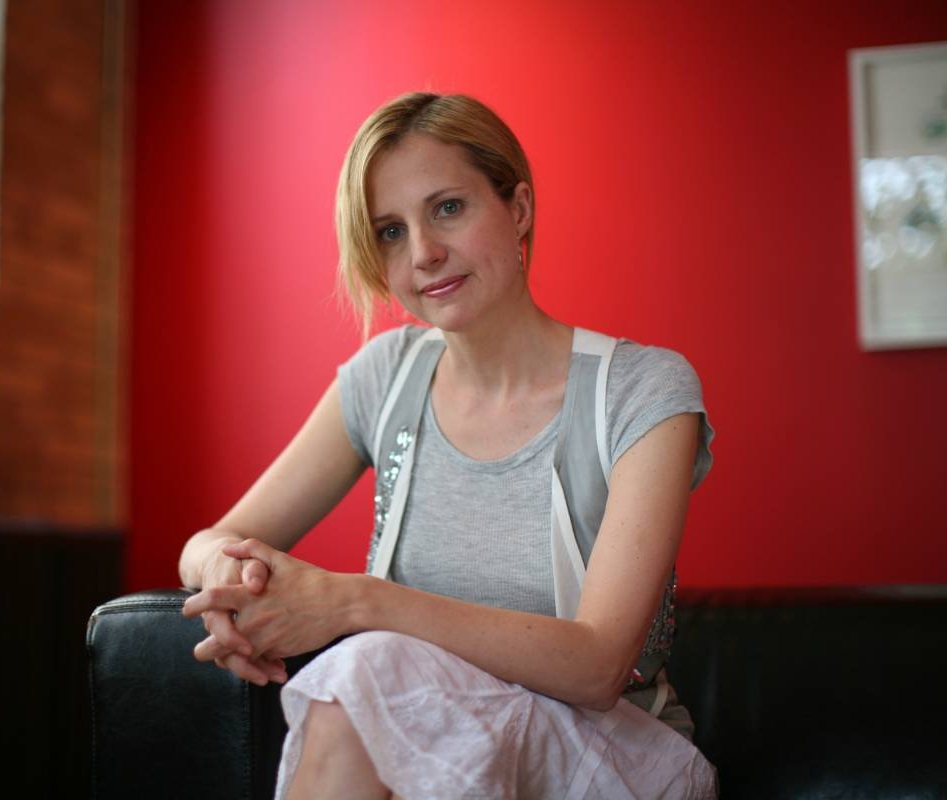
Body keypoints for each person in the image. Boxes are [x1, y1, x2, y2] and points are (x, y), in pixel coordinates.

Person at [179, 92, 718, 799]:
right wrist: (230, 573)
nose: (425, 253)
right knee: (369, 689)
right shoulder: (384, 377)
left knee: (362, 673)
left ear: (518, 208)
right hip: (423, 752)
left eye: (448, 209)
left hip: (607, 757)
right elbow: (209, 542)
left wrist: (356, 604)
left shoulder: (642, 390)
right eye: (390, 232)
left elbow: (597, 666)